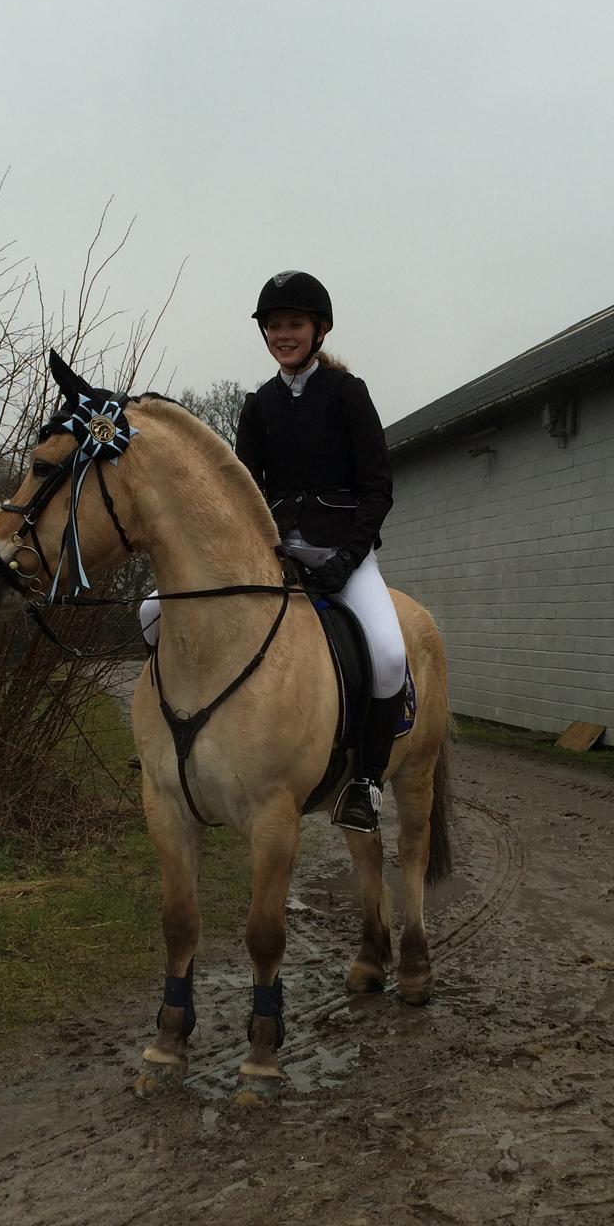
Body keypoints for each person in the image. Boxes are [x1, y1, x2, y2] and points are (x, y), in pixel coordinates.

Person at [234, 270, 406, 834]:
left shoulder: (347, 393)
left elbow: (378, 488)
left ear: (319, 330)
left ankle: (366, 783)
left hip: (343, 555)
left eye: (294, 324)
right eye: (274, 326)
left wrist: (347, 559)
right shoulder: (258, 405)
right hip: (277, 554)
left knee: (388, 655)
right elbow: (245, 492)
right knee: (158, 612)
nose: (283, 335)